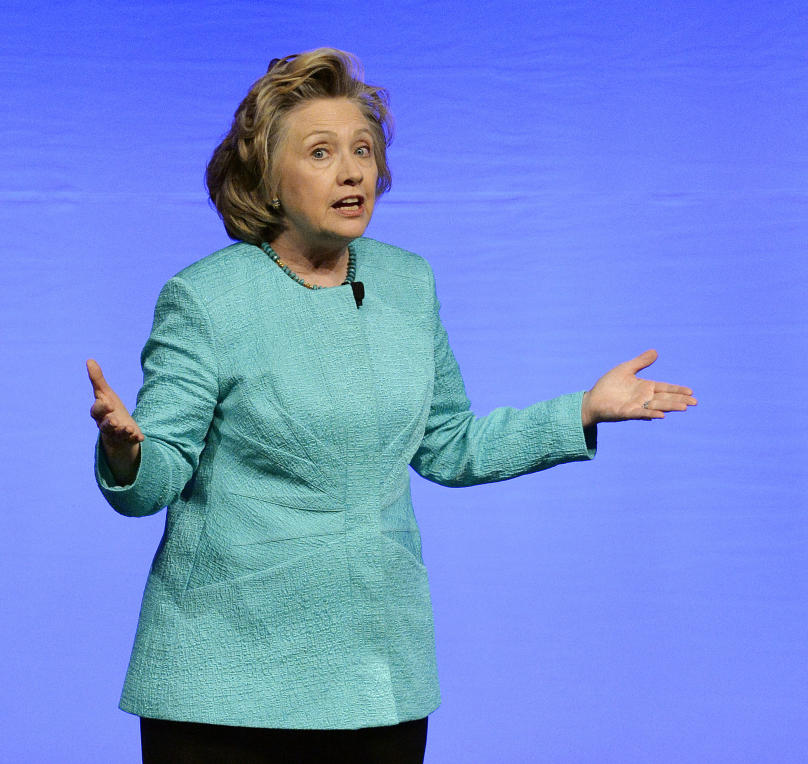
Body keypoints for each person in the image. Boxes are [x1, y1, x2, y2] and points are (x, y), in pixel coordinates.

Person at [87, 48, 696, 763]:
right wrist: (127, 452)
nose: (352, 172)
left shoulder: (408, 284)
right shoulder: (207, 299)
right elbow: (156, 479)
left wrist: (583, 412)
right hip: (225, 678)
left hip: (376, 669)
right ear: (269, 184)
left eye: (363, 151)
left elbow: (448, 443)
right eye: (321, 152)